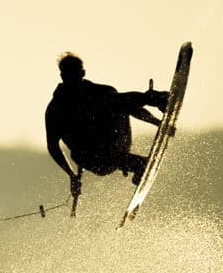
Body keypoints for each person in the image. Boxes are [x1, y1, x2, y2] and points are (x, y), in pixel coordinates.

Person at [45, 52, 170, 200]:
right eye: (69, 75)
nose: (73, 79)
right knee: (110, 101)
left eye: (75, 74)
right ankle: (152, 99)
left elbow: (128, 106)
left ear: (82, 73)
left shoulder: (100, 92)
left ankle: (154, 100)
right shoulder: (56, 110)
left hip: (115, 146)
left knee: (112, 101)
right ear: (63, 77)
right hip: (94, 160)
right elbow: (53, 147)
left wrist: (157, 123)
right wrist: (71, 176)